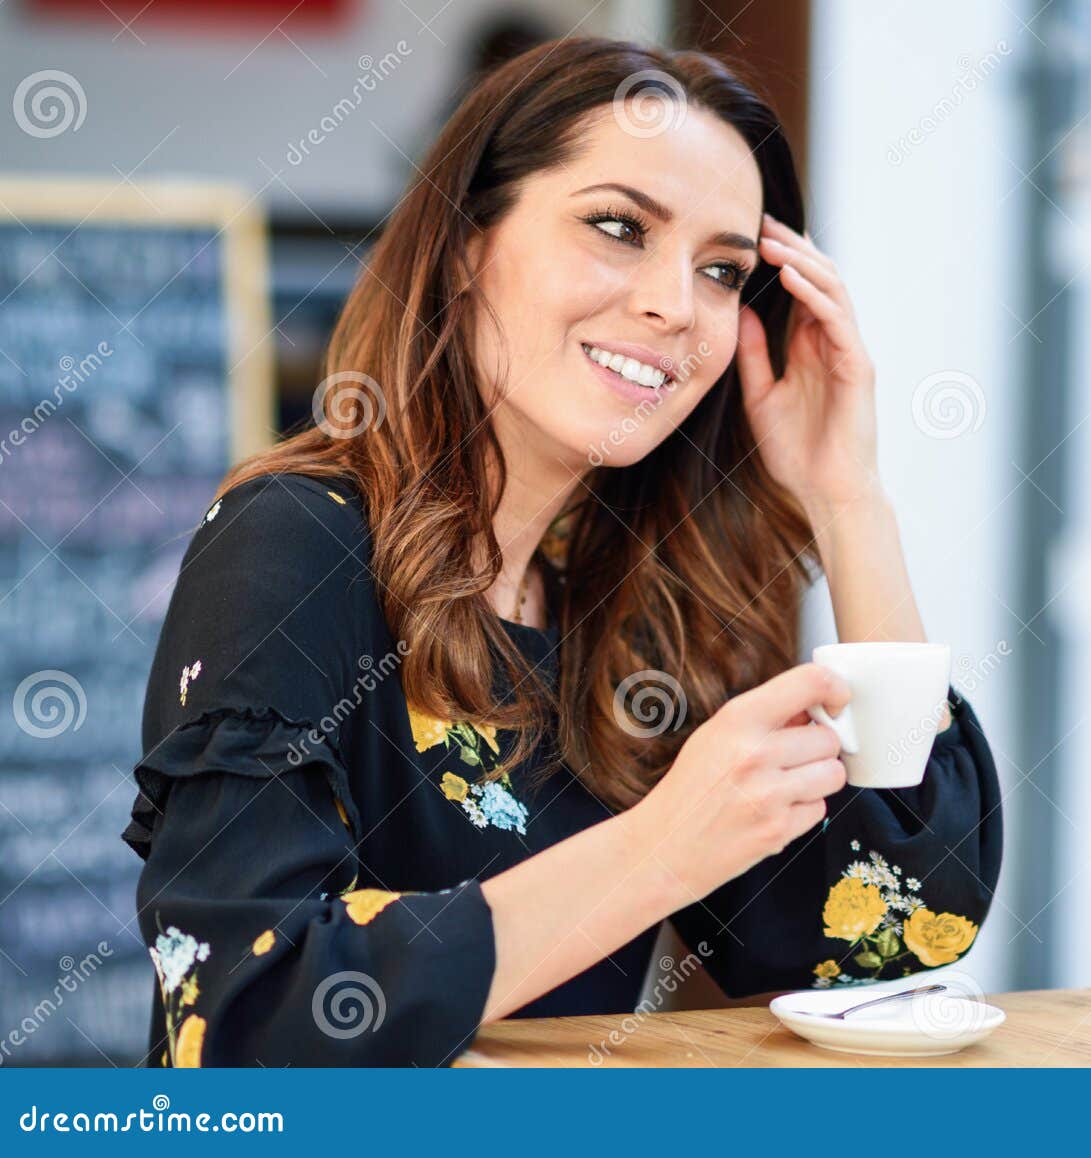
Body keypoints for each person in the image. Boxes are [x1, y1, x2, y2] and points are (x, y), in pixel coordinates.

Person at [120, 35, 1003, 1068]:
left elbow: (893, 939)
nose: (675, 304)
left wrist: (850, 501)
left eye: (721, 270)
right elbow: (241, 1016)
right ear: (465, 244)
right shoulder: (295, 544)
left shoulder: (631, 610)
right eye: (619, 227)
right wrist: (659, 847)